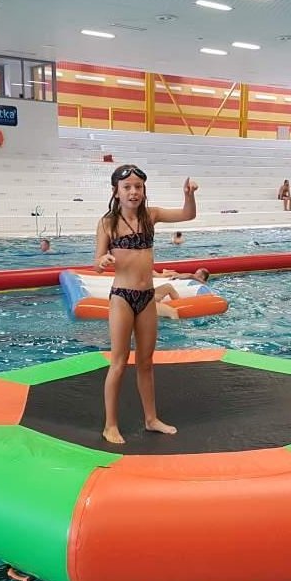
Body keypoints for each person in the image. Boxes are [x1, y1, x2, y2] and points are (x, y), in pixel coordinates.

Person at [94, 163, 198, 445]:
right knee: (118, 362)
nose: (133, 192)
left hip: (147, 297)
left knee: (146, 362)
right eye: (127, 187)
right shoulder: (107, 223)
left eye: (138, 187)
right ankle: (110, 425)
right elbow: (97, 263)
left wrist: (188, 195)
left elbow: (188, 214)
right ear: (116, 191)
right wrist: (103, 261)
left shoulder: (151, 215)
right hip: (122, 297)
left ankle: (151, 419)